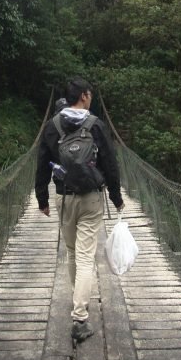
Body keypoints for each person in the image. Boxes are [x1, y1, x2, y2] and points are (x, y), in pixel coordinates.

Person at [35, 77, 123, 343]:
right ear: (84, 96)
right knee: (86, 257)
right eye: (90, 94)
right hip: (92, 198)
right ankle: (80, 316)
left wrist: (42, 199)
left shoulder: (52, 127)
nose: (91, 98)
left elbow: (41, 164)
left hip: (65, 197)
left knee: (73, 253)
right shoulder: (95, 125)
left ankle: (78, 300)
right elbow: (110, 163)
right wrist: (117, 197)